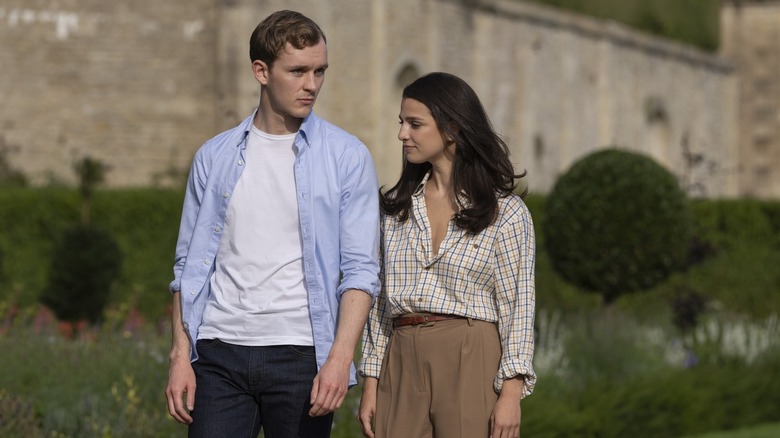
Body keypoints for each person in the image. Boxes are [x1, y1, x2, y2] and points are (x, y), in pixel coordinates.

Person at [164, 10, 380, 438]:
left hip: (301, 356)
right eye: (298, 71)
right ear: (260, 71)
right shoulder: (214, 156)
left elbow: (360, 269)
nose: (312, 84)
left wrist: (340, 357)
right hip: (219, 352)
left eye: (320, 71)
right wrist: (179, 354)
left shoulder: (347, 157)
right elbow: (188, 266)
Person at [357, 72, 537, 438]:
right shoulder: (395, 211)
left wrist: (512, 393)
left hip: (470, 354)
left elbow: (519, 305)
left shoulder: (506, 212)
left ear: (452, 128)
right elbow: (379, 302)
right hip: (402, 356)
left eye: (415, 124)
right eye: (401, 123)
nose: (401, 134)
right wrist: (372, 379)